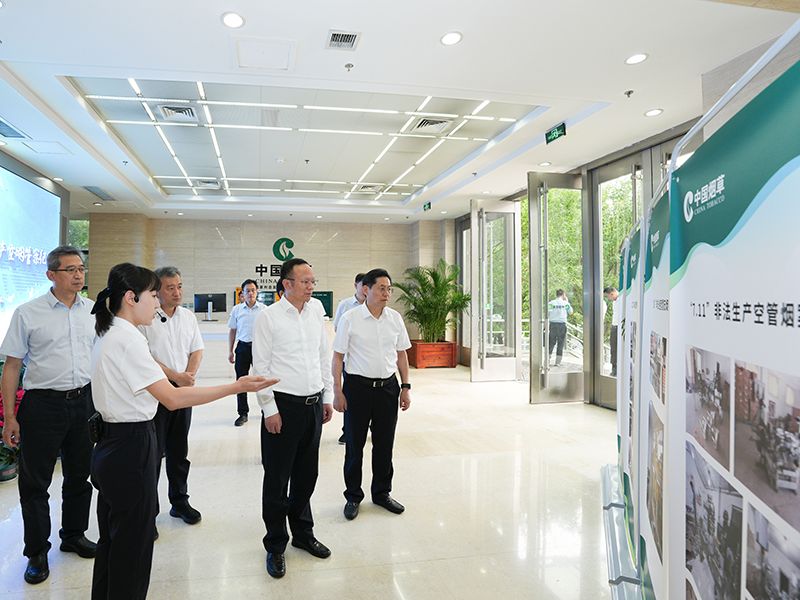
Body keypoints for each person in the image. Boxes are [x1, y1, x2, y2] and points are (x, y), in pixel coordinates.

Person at [89, 262, 275, 600]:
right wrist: (236, 387)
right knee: (132, 549)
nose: (157, 303)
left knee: (113, 542)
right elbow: (173, 398)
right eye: (153, 296)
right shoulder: (128, 339)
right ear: (131, 297)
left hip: (112, 444)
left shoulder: (109, 330)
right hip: (130, 445)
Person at [0, 245, 96, 585]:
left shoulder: (92, 311)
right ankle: (37, 552)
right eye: (70, 269)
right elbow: (12, 366)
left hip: (83, 403)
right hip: (43, 406)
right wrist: (10, 416)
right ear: (51, 275)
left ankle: (73, 535)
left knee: (79, 476)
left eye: (81, 268)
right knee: (35, 483)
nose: (78, 275)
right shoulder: (28, 313)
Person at [252, 258, 334, 579]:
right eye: (305, 281)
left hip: (312, 406)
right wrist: (269, 409)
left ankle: (302, 533)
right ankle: (275, 544)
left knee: (306, 475)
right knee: (277, 479)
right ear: (287, 284)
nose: (311, 286)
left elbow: (322, 357)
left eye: (313, 281)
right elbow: (261, 367)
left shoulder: (316, 312)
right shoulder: (268, 317)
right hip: (283, 408)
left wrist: (326, 397)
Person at [332, 268, 412, 521]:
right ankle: (353, 496)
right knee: (354, 446)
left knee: (384, 444)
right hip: (357, 389)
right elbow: (338, 357)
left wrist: (405, 387)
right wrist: (337, 391)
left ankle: (381, 493)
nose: (386, 293)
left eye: (389, 289)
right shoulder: (350, 318)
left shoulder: (395, 319)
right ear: (366, 289)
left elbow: (401, 354)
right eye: (381, 288)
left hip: (388, 389)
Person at [139, 266, 204, 531]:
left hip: (182, 392)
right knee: (153, 455)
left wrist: (188, 375)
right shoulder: (146, 318)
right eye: (170, 288)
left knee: (179, 452)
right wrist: (175, 376)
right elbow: (145, 357)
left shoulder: (187, 316)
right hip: (157, 392)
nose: (177, 292)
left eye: (179, 286)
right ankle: (149, 513)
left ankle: (179, 501)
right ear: (157, 290)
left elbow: (197, 349)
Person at [332, 272, 366, 444]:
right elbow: (337, 328)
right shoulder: (345, 305)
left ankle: (370, 427)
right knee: (350, 397)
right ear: (356, 286)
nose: (366, 289)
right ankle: (348, 431)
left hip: (369, 360)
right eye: (363, 285)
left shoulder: (374, 304)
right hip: (349, 359)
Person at [228, 279, 266, 426]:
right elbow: (232, 331)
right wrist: (230, 351)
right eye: (247, 291)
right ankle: (242, 413)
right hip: (242, 348)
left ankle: (266, 410)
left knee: (262, 380)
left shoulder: (264, 309)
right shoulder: (237, 310)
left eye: (253, 290)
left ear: (257, 292)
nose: (250, 293)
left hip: (259, 349)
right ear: (242, 293)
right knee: (241, 381)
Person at [547, 289, 573, 367]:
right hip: (562, 325)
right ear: (563, 295)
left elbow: (547, 313)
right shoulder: (566, 304)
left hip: (553, 324)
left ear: (556, 294)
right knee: (560, 343)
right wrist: (567, 301)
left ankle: (547, 360)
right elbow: (571, 312)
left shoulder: (551, 303)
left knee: (551, 343)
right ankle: (557, 362)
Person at [603, 287, 621, 376]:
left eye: (607, 296)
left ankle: (618, 370)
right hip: (614, 327)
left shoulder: (623, 299)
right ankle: (614, 370)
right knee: (613, 349)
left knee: (618, 350)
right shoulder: (614, 302)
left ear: (612, 293)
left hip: (620, 327)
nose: (608, 299)